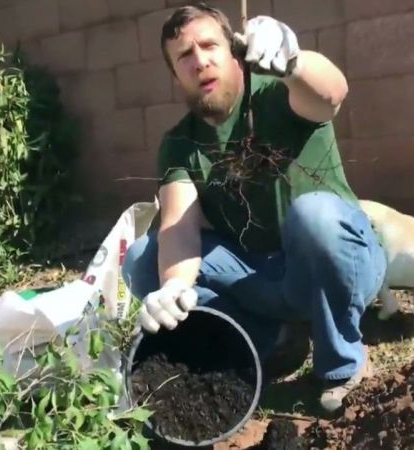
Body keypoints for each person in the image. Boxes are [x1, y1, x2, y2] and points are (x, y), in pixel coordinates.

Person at [121, 3, 387, 414]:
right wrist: (174, 286)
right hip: (261, 278)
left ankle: (341, 365)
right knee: (144, 259)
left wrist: (295, 62)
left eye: (209, 45)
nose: (200, 61)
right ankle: (266, 342)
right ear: (175, 74)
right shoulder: (180, 143)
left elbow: (332, 93)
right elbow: (179, 226)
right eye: (184, 57)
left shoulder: (278, 94)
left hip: (338, 263)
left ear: (234, 50)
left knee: (314, 215)